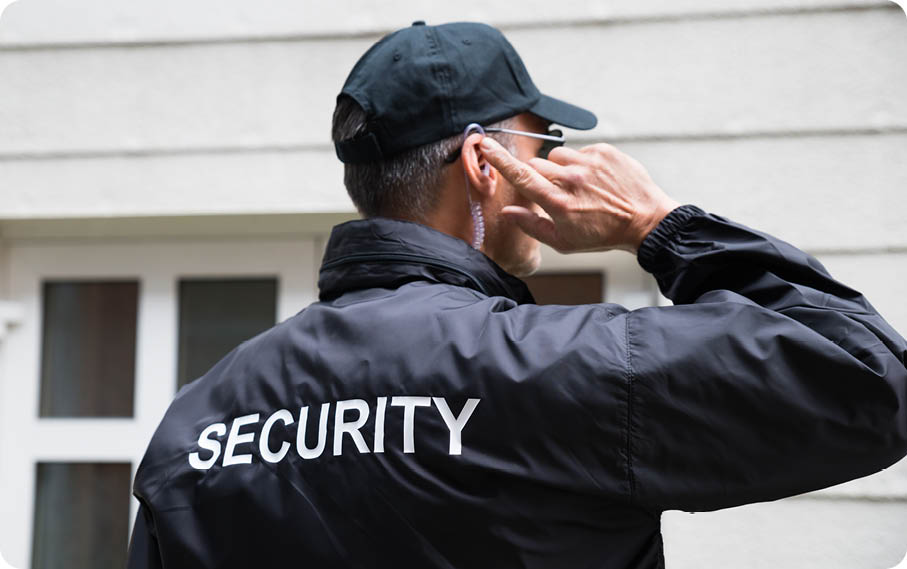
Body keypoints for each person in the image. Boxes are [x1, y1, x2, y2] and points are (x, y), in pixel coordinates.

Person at [127, 21, 907, 569]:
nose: (559, 165)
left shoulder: (201, 415)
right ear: (484, 163)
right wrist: (659, 226)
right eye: (544, 145)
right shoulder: (566, 366)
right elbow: (869, 376)